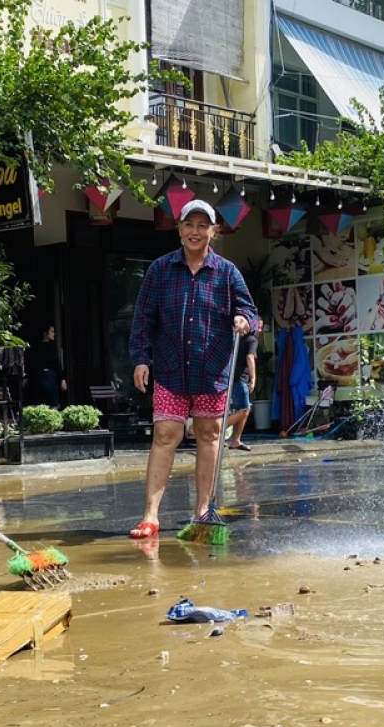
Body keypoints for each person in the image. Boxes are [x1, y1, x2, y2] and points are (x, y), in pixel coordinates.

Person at [126, 199, 257, 539]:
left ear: (214, 231)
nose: (195, 232)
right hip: (170, 368)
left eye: (202, 226)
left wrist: (244, 320)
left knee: (209, 435)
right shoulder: (160, 270)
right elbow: (143, 318)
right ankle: (150, 516)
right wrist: (140, 358)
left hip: (212, 370)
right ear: (179, 229)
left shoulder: (227, 272)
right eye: (189, 224)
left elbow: (250, 312)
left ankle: (202, 510)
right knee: (165, 435)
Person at [226, 320, 260, 451]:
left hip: (230, 378)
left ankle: (236, 440)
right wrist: (254, 378)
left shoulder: (234, 339)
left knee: (242, 410)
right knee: (245, 410)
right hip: (240, 379)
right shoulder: (252, 340)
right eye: (258, 326)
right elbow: (250, 358)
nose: (260, 330)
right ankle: (215, 429)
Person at [26, 324, 67, 408]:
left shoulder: (53, 346)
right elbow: (31, 363)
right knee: (38, 402)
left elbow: (56, 363)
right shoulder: (36, 347)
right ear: (45, 333)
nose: (54, 334)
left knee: (53, 401)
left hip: (50, 375)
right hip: (39, 375)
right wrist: (27, 376)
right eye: (52, 331)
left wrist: (62, 379)